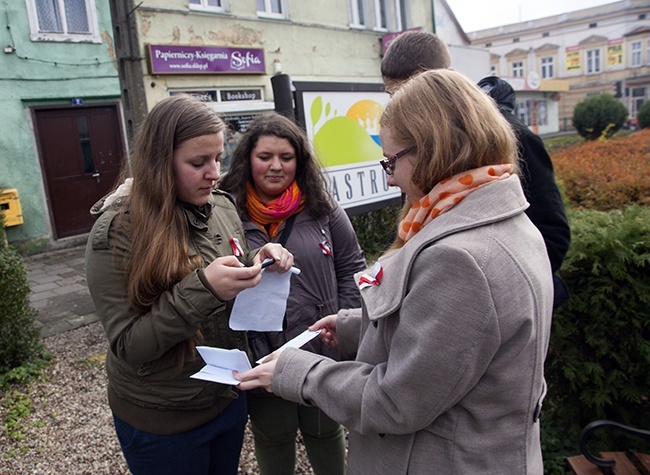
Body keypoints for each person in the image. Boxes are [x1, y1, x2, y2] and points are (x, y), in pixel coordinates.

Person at [235, 69, 555, 474]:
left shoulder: (460, 259)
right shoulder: (506, 221)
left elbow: (397, 400)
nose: (390, 178)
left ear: (433, 149)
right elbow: (447, 342)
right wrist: (358, 325)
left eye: (391, 161)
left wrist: (299, 371)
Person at [84, 95, 293, 475]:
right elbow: (129, 345)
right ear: (160, 163)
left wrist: (257, 262)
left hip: (225, 399)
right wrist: (205, 288)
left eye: (218, 157)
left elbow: (226, 267)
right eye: (198, 163)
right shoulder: (116, 232)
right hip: (162, 423)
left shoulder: (222, 206)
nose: (214, 173)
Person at [219, 112, 366, 475]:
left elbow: (351, 266)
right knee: (273, 436)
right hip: (260, 350)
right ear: (247, 159)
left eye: (286, 157)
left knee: (325, 429)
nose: (275, 166)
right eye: (265, 157)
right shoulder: (226, 213)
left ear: (298, 161)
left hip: (318, 345)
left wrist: (343, 326)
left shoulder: (321, 208)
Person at [381, 30, 571, 307]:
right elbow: (418, 220)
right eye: (393, 95)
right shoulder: (415, 149)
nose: (404, 108)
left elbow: (551, 234)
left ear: (449, 77)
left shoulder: (511, 137)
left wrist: (494, 292)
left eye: (416, 92)